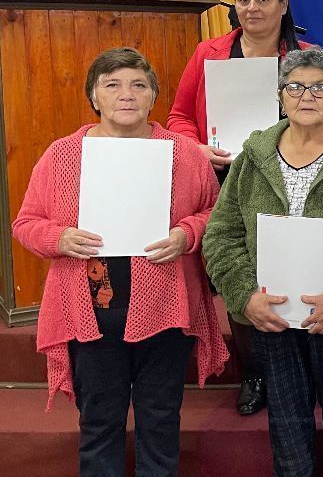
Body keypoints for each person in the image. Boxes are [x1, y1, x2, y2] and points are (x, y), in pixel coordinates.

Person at [13, 47, 228, 476]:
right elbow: (25, 223)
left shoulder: (185, 153)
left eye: (138, 85)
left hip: (165, 307)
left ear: (154, 96)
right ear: (94, 96)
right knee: (98, 423)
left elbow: (215, 214)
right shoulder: (62, 155)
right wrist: (59, 237)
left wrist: (187, 233)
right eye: (112, 85)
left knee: (161, 418)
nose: (125, 94)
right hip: (90, 309)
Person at [203, 47, 323, 477]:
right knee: (287, 424)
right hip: (270, 313)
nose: (305, 95)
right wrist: (245, 297)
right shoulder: (252, 157)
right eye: (294, 86)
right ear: (280, 95)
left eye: (319, 87)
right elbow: (221, 235)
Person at [168, 0, 323, 416]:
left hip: (297, 180)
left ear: (283, 6)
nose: (252, 8)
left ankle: (304, 366)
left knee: (293, 271)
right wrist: (199, 148)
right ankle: (255, 371)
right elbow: (178, 118)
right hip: (227, 178)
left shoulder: (309, 57)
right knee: (242, 279)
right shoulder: (209, 54)